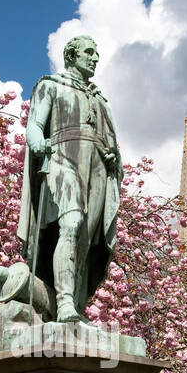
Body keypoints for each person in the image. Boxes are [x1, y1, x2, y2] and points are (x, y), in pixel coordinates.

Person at [17, 35, 122, 323]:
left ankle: (75, 306)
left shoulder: (101, 101)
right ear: (72, 56)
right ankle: (63, 303)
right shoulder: (50, 85)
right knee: (72, 223)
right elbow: (35, 125)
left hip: (98, 165)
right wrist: (37, 141)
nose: (95, 58)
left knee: (86, 242)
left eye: (97, 53)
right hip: (63, 156)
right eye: (89, 52)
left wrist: (112, 156)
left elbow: (110, 140)